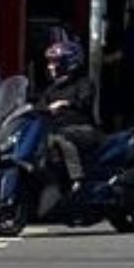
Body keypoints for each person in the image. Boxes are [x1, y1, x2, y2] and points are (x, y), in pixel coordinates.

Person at [38, 31, 100, 187]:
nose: (50, 67)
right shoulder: (52, 89)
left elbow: (85, 102)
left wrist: (65, 103)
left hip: (82, 129)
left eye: (55, 62)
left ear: (69, 63)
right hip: (54, 128)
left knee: (60, 137)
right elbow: (40, 105)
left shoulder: (83, 83)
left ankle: (76, 179)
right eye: (50, 62)